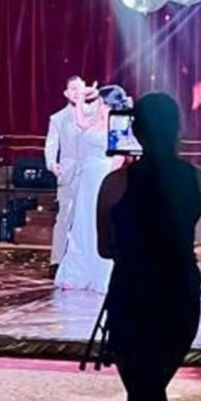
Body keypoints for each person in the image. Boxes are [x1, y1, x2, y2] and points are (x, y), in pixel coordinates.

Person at [96, 91, 201, 401]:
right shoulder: (200, 179)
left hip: (133, 299)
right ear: (178, 128)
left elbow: (106, 248)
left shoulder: (116, 183)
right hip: (181, 301)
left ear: (135, 131)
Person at [52, 81, 119, 293]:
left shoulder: (118, 123)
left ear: (107, 103)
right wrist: (81, 97)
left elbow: (118, 156)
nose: (96, 103)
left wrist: (111, 182)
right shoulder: (94, 120)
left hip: (103, 174)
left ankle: (102, 275)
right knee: (82, 222)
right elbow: (80, 122)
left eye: (98, 100)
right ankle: (78, 274)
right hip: (87, 177)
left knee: (99, 223)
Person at [43, 75, 91, 270]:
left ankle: (86, 262)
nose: (77, 92)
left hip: (90, 170)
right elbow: (51, 144)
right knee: (64, 217)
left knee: (89, 217)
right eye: (73, 89)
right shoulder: (58, 118)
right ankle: (57, 261)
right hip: (68, 172)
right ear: (66, 93)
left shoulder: (95, 113)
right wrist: (52, 163)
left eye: (80, 88)